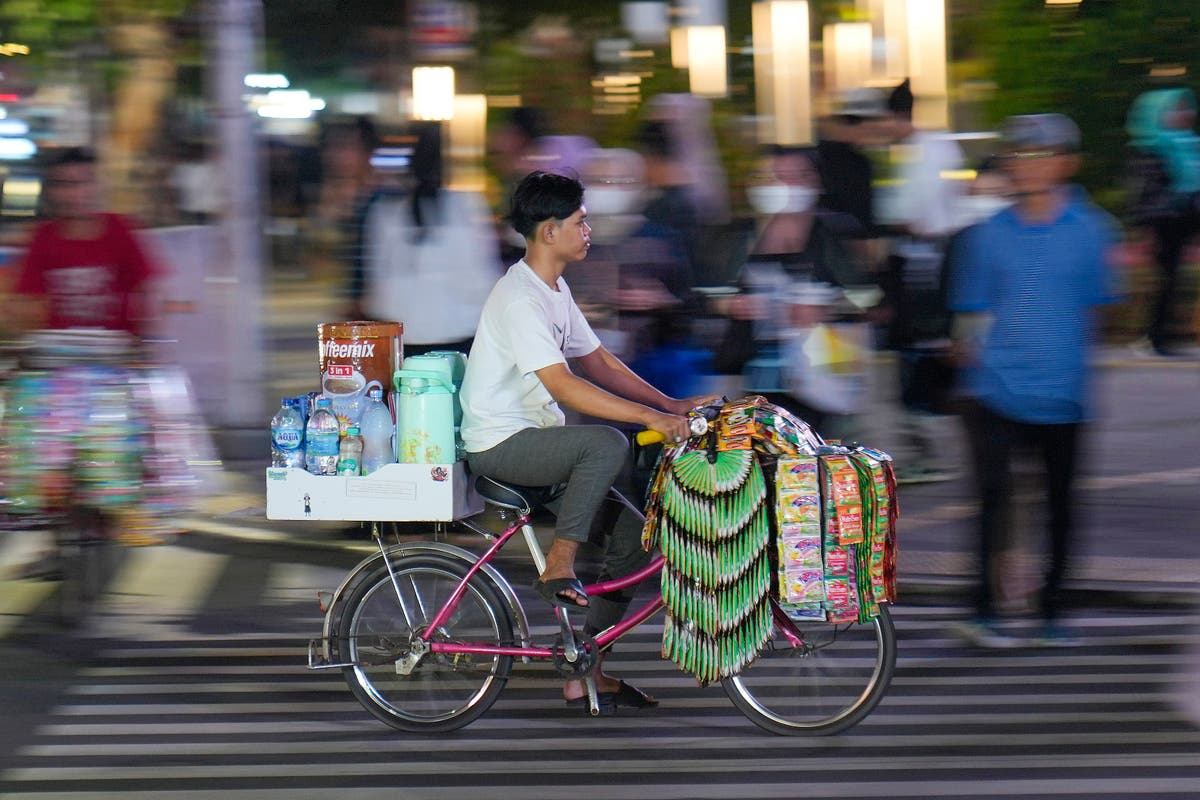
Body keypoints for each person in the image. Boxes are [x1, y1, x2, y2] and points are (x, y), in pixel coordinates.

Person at [460, 170, 715, 713]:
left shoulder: (554, 288)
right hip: (501, 442)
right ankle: (560, 562)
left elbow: (596, 360)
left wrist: (669, 406)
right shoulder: (519, 297)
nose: (588, 230)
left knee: (633, 536)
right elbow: (564, 384)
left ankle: (586, 669)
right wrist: (649, 416)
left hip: (537, 439)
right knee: (604, 445)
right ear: (549, 231)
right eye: (579, 222)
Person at [949, 114, 1123, 648]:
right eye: (1018, 155)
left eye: (1039, 154)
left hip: (1064, 394)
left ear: (1066, 163)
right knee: (993, 503)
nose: (1026, 166)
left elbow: (1102, 308)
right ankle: (986, 609)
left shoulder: (1093, 231)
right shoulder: (989, 234)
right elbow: (972, 311)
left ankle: (1052, 611)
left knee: (1061, 507)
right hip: (995, 390)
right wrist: (968, 369)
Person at [712, 146, 867, 441]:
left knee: (819, 454)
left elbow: (870, 295)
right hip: (753, 371)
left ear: (815, 182)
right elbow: (705, 294)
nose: (787, 186)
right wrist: (728, 304)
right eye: (777, 177)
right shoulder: (738, 236)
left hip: (821, 375)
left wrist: (827, 308)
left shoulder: (835, 232)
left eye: (798, 177)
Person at [875, 78, 968, 483]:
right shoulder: (934, 148)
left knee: (920, 355)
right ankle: (926, 448)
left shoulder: (924, 153)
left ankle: (929, 452)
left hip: (928, 264)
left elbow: (913, 214)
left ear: (897, 117)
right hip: (926, 261)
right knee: (920, 354)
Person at [361, 121, 499, 356]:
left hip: (404, 335)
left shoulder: (385, 211)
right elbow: (482, 277)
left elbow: (377, 283)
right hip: (462, 331)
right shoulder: (468, 206)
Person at [8, 147, 161, 336]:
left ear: (99, 185)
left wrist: (145, 338)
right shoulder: (42, 237)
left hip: (116, 354)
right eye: (64, 185)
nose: (76, 194)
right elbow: (26, 301)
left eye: (84, 182)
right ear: (51, 192)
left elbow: (148, 292)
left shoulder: (122, 230)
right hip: (58, 353)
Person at [1124, 86, 1200, 357]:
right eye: (1176, 108)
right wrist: (1144, 230)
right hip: (1163, 225)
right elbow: (1144, 195)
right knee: (1164, 283)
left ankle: (1162, 336)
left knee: (1175, 282)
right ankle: (1154, 338)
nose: (1184, 113)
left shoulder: (1191, 146)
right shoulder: (1150, 149)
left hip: (1185, 222)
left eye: (1186, 107)